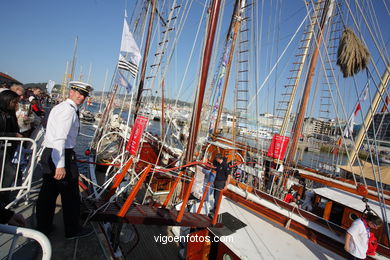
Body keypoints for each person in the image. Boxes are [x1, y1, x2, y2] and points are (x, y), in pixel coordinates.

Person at [36, 81, 93, 239]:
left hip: (51, 152)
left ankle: (44, 227)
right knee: (70, 195)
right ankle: (73, 230)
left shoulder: (60, 107)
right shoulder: (68, 111)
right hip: (61, 154)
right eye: (79, 93)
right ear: (71, 92)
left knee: (48, 192)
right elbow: (60, 138)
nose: (81, 97)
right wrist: (60, 165)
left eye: (84, 95)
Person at [0, 90, 23, 204]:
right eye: (14, 102)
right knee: (10, 172)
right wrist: (13, 135)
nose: (16, 105)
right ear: (6, 101)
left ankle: (4, 198)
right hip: (2, 148)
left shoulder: (11, 113)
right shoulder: (2, 113)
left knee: (7, 173)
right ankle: (3, 198)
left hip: (8, 148)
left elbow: (15, 128)